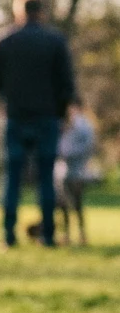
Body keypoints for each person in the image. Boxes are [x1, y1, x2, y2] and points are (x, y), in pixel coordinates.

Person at [0, 0, 76, 249]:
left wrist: (7, 97)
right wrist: (62, 110)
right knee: (46, 177)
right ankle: (47, 235)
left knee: (11, 177)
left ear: (18, 11)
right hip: (47, 117)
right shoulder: (55, 41)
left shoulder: (4, 39)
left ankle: (8, 235)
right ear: (42, 11)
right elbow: (67, 82)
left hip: (14, 116)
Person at [56, 101, 96, 246]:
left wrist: (69, 154)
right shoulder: (63, 123)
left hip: (77, 171)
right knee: (63, 206)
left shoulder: (84, 126)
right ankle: (66, 235)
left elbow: (88, 147)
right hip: (62, 171)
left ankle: (82, 235)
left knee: (77, 204)